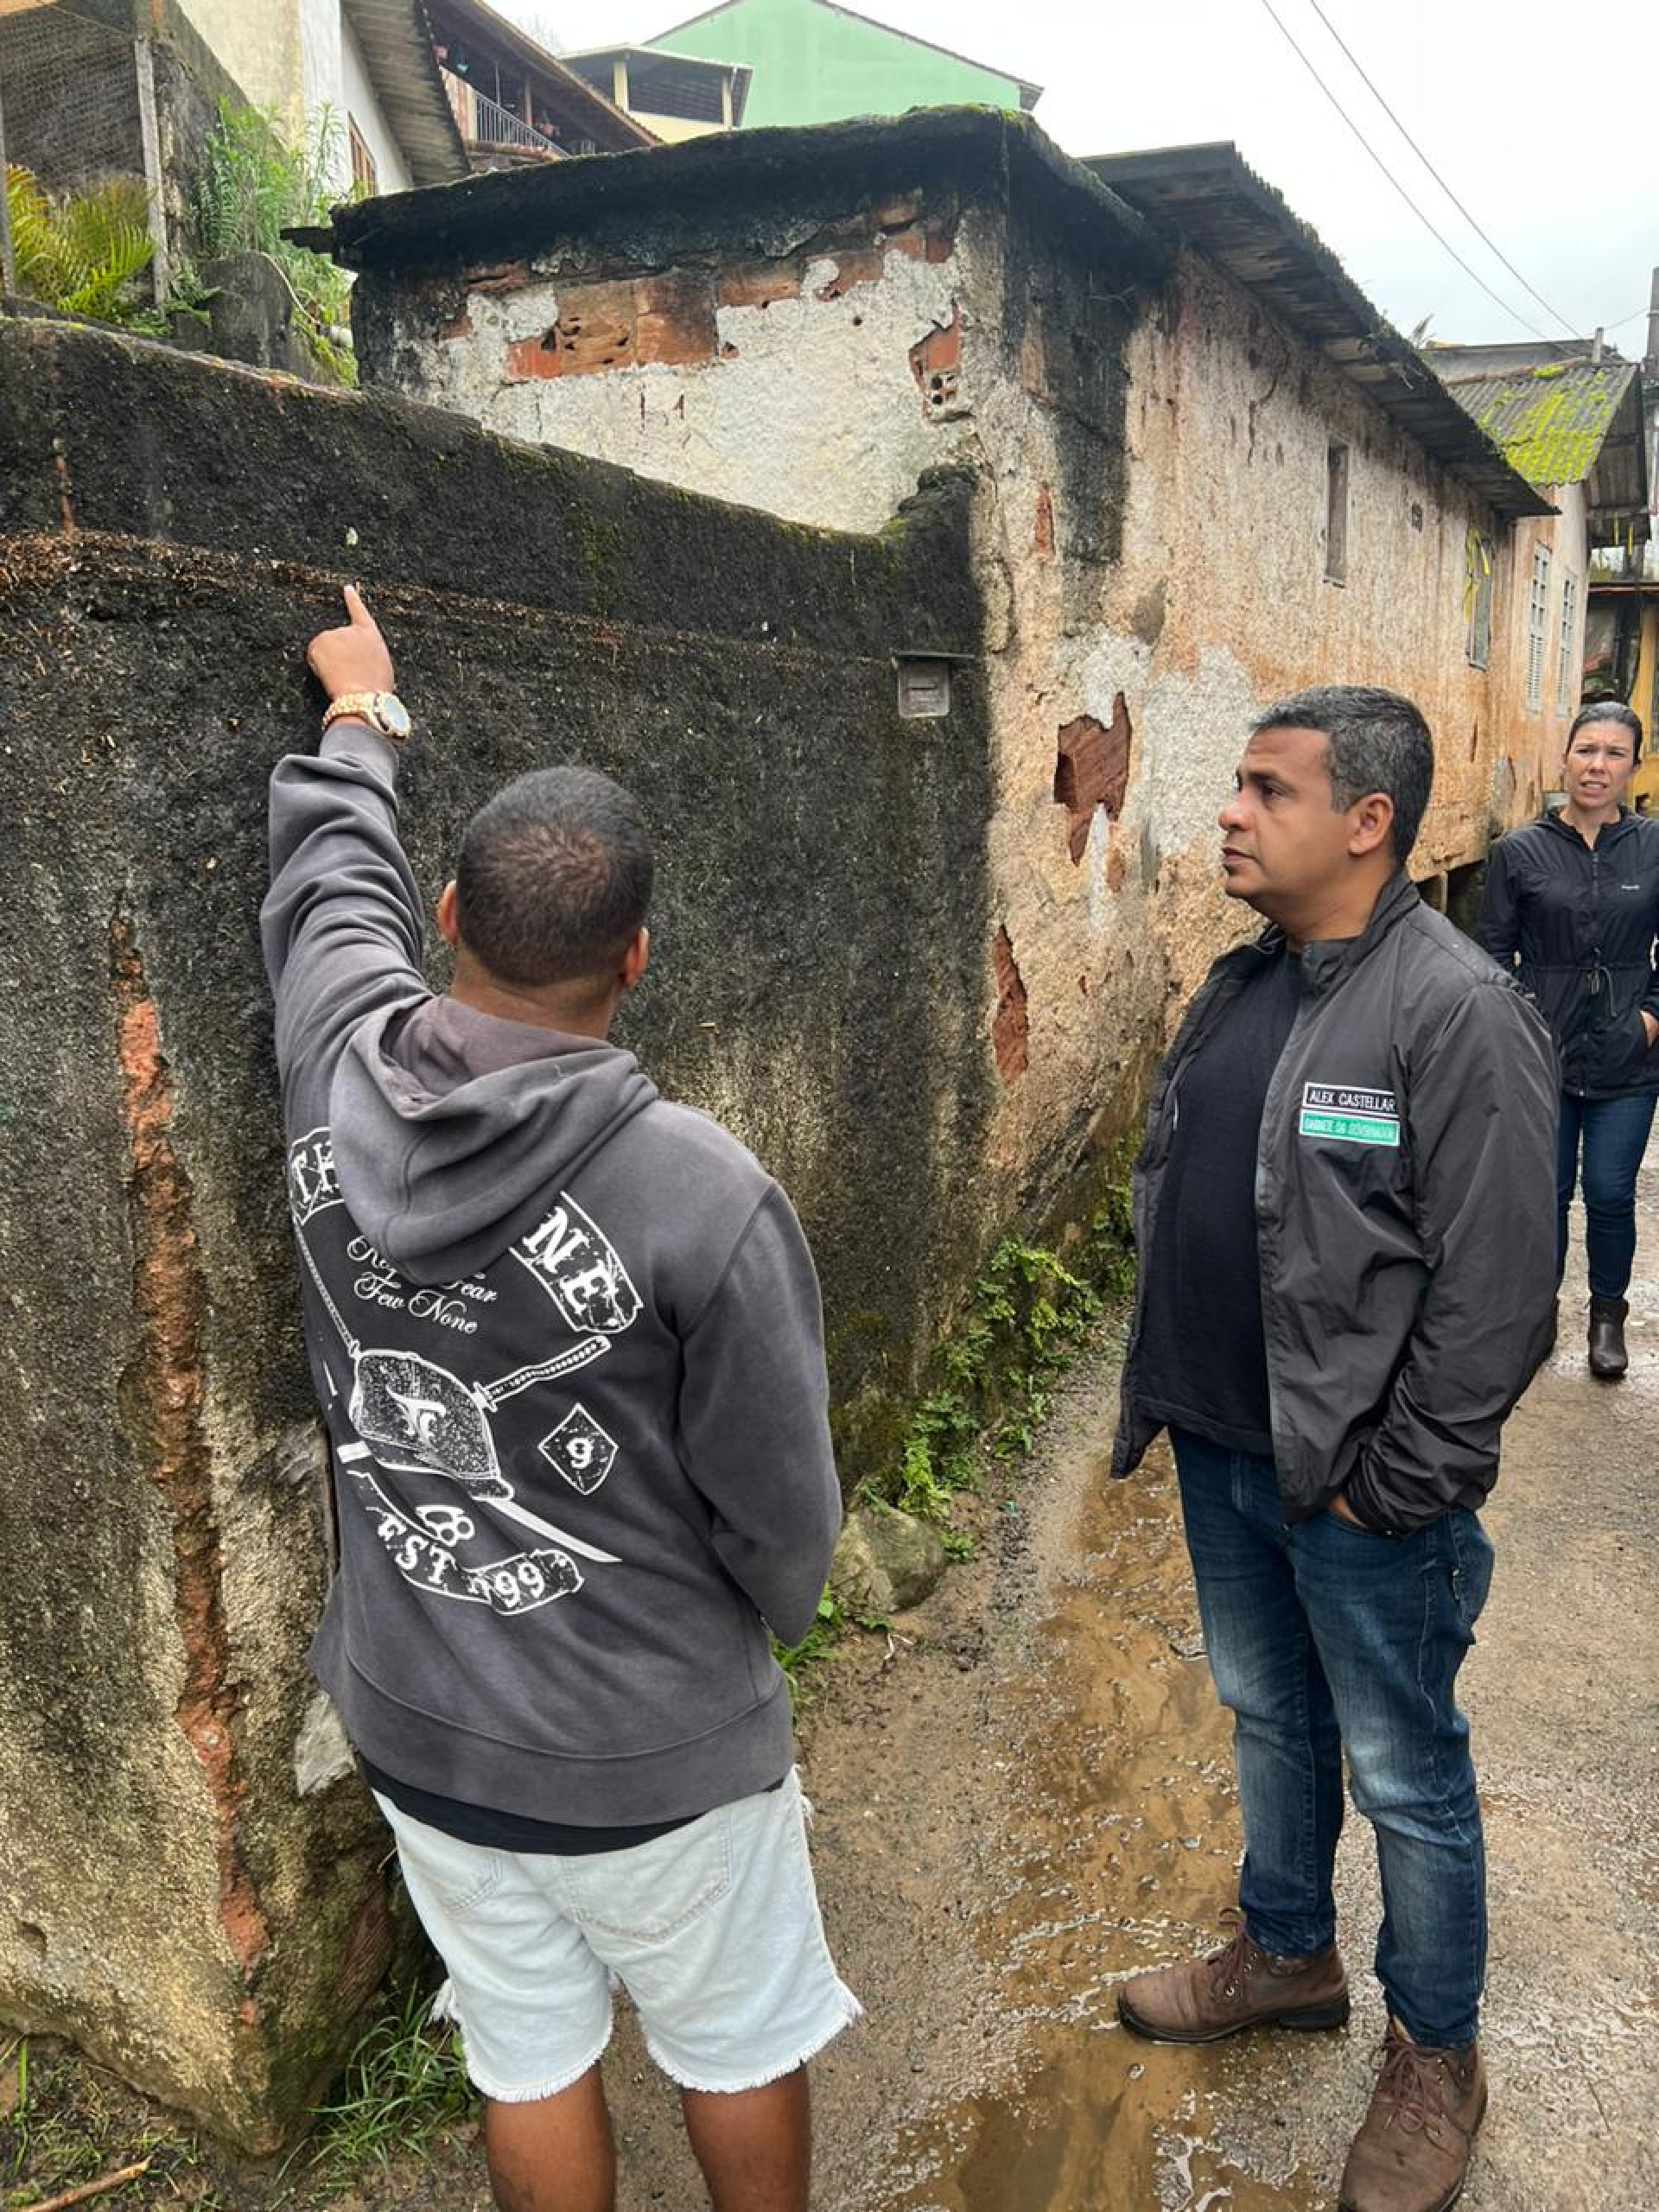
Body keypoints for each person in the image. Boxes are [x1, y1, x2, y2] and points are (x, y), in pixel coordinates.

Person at [263, 587, 856, 2212]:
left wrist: (358, 711)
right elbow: (781, 1519)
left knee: (525, 2047)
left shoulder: (332, 1058)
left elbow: (324, 886)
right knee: (733, 2041)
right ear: (639, 960)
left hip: (422, 1716)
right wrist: (753, 1643)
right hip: (653, 1744)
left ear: (445, 910)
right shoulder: (701, 1195)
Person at [1110, 687, 1557, 2212]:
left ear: (1366, 822)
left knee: (1407, 1771)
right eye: (1237, 786)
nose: (1231, 812)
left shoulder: (1455, 1010)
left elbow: (1501, 1292)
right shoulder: (1248, 982)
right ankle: (1287, 1953)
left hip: (1364, 1497)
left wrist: (1399, 1486)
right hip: (1227, 1451)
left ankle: (1438, 2057)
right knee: (1266, 1719)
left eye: (1266, 790)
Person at [1475, 700, 1659, 1378]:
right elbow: (1489, 957)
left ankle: (1607, 1316)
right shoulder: (1517, 852)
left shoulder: (1653, 846)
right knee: (1543, 1194)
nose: (1597, 765)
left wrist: (1649, 1018)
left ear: (1631, 767)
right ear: (1566, 757)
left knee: (1610, 1192)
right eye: (1587, 750)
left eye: (1614, 753)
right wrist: (1521, 1028)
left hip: (1628, 1057)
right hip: (1540, 1058)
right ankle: (1536, 1312)